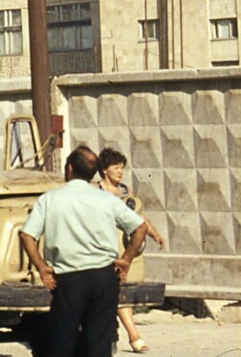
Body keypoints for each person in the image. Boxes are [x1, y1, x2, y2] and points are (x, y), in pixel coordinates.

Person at [19, 145, 148, 357]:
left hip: (69, 280)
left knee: (62, 340)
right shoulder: (106, 199)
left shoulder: (50, 199)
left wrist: (42, 267)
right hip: (104, 278)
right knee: (99, 342)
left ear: (69, 168)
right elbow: (140, 227)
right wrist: (126, 260)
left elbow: (27, 235)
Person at [98, 147, 165, 354]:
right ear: (104, 169)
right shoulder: (97, 191)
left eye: (122, 168)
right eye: (116, 168)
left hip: (127, 248)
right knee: (117, 290)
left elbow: (138, 215)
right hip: (106, 247)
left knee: (121, 290)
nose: (120, 172)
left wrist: (153, 233)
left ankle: (126, 335)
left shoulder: (125, 190)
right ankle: (134, 336)